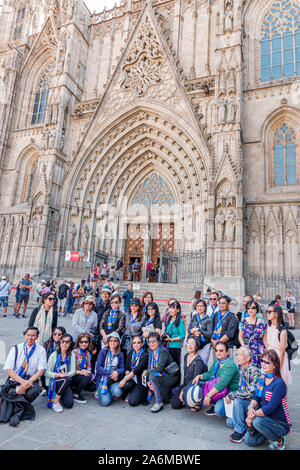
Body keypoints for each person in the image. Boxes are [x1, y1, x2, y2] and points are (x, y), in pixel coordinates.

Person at [244, 349, 292, 450]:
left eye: (267, 362)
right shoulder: (262, 379)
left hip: (280, 424)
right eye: (262, 361)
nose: (263, 364)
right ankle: (268, 434)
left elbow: (270, 408)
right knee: (249, 440)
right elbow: (256, 397)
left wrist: (252, 415)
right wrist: (250, 407)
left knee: (256, 421)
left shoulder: (278, 384)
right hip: (266, 419)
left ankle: (278, 440)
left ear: (274, 365)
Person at [1, 327, 47, 426]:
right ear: (25, 335)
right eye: (28, 335)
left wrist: (26, 384)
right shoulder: (16, 349)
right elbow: (9, 370)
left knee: (34, 391)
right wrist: (22, 382)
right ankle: (19, 410)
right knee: (11, 391)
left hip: (30, 379)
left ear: (37, 337)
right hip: (16, 378)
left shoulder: (41, 350)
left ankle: (15, 409)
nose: (30, 338)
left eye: (33, 335)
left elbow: (41, 371)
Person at [190, 342, 239, 415]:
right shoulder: (217, 361)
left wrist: (208, 395)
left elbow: (221, 384)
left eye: (221, 350)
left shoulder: (230, 365)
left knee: (218, 410)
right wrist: (200, 376)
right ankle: (208, 401)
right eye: (216, 350)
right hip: (217, 388)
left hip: (227, 392)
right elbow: (210, 374)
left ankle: (217, 403)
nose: (218, 352)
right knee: (197, 384)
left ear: (227, 352)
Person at [224, 346, 261, 443]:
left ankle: (240, 431)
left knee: (238, 401)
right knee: (229, 422)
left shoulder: (254, 371)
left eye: (240, 355)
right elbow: (240, 389)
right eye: (237, 355)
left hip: (252, 405)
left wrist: (232, 395)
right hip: (245, 402)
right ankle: (242, 422)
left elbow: (250, 393)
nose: (238, 357)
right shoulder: (242, 370)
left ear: (248, 358)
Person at [142, 332, 179, 413]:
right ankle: (170, 393)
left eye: (154, 341)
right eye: (150, 342)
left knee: (152, 376)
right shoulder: (151, 352)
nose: (151, 344)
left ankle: (158, 402)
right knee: (151, 376)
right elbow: (150, 367)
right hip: (161, 375)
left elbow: (159, 368)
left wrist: (147, 372)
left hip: (170, 376)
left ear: (159, 342)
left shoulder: (162, 351)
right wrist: (148, 381)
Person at [171, 336, 206, 410]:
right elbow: (185, 376)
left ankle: (194, 401)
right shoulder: (186, 356)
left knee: (176, 404)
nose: (189, 345)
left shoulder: (198, 361)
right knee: (171, 394)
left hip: (193, 386)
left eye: (192, 344)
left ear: (196, 347)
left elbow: (195, 380)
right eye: (188, 343)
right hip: (186, 384)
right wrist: (182, 389)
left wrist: (183, 390)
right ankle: (186, 400)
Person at [45, 334, 76, 413]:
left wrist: (64, 375)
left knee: (69, 404)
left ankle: (57, 395)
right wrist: (58, 375)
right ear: (60, 343)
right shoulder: (53, 355)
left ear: (70, 343)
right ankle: (56, 401)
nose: (64, 344)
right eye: (62, 341)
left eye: (67, 342)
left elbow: (73, 371)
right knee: (67, 379)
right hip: (53, 381)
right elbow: (46, 372)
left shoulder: (72, 355)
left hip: (65, 381)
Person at [95, 332, 125, 406]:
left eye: (115, 340)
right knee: (105, 402)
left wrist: (117, 372)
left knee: (118, 393)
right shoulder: (103, 352)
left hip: (113, 380)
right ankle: (100, 391)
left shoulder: (120, 354)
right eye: (111, 340)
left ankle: (107, 391)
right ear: (108, 342)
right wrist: (111, 373)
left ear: (118, 342)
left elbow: (122, 368)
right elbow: (98, 367)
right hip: (103, 379)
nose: (112, 342)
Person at [119, 335, 149, 406]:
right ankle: (130, 392)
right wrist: (126, 371)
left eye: (138, 343)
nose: (136, 345)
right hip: (131, 379)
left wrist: (124, 379)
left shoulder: (145, 355)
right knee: (127, 385)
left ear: (142, 344)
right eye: (134, 343)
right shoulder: (131, 353)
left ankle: (134, 392)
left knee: (133, 402)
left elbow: (136, 370)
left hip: (139, 380)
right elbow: (127, 366)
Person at [266, 305, 292, 385]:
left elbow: (282, 352)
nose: (267, 313)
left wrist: (278, 367)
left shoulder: (282, 330)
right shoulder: (269, 326)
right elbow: (266, 342)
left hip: (279, 359)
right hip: (269, 356)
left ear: (276, 314)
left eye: (270, 312)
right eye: (267, 311)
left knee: (278, 383)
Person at [239, 300, 267, 369]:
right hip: (247, 349)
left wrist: (267, 352)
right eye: (248, 308)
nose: (250, 310)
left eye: (253, 308)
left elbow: (265, 339)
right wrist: (243, 346)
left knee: (258, 371)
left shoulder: (263, 323)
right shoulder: (243, 321)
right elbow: (240, 336)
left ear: (257, 309)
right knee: (245, 370)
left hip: (259, 350)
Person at [163, 301, 185, 380]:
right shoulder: (169, 319)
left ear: (178, 310)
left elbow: (182, 336)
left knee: (175, 367)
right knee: (169, 366)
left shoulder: (180, 321)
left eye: (173, 308)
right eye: (170, 308)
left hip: (175, 347)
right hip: (168, 346)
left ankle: (176, 385)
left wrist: (171, 339)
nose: (171, 310)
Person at [72, 333, 96, 403]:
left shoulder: (87, 353)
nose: (83, 344)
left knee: (93, 387)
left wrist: (86, 371)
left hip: (83, 374)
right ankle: (76, 394)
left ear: (88, 343)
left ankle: (78, 387)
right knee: (88, 376)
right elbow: (71, 369)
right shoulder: (74, 352)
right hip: (75, 375)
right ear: (78, 342)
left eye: (85, 342)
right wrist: (82, 371)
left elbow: (89, 367)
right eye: (81, 342)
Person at [188, 299, 213, 366]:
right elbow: (189, 329)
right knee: (192, 364)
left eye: (201, 306)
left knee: (202, 364)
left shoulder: (208, 319)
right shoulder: (194, 317)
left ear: (205, 308)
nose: (199, 308)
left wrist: (200, 331)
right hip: (194, 344)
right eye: (198, 306)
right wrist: (193, 331)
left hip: (204, 344)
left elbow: (210, 334)